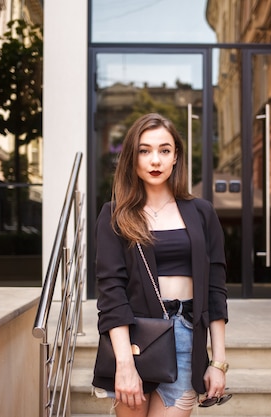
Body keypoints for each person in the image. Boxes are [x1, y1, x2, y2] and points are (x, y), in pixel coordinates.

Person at [92, 112, 230, 417]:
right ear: (132, 157)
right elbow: (111, 293)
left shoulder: (202, 212)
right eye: (145, 151)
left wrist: (218, 362)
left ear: (176, 156)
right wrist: (125, 364)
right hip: (136, 342)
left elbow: (215, 291)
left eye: (164, 150)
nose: (155, 160)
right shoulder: (115, 215)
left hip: (185, 337)